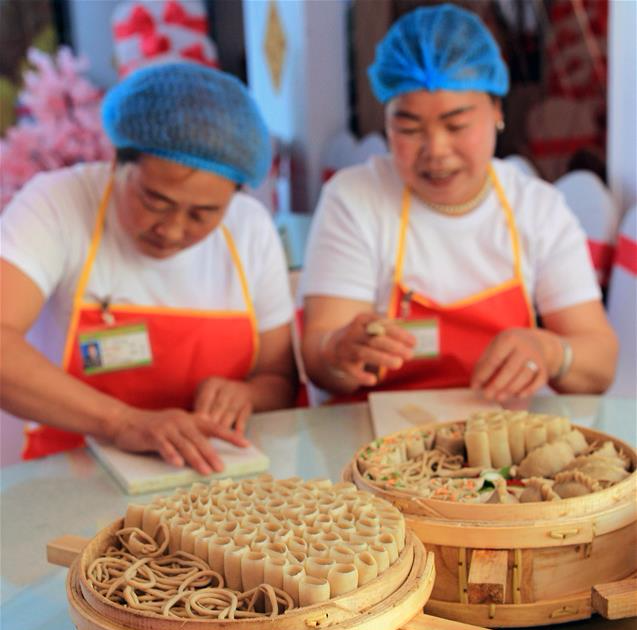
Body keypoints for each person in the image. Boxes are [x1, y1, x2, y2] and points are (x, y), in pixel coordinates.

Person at [301, 4, 617, 403]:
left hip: (498, 442)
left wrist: (552, 352)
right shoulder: (355, 199)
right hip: (372, 443)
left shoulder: (537, 209)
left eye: (457, 125)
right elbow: (318, 360)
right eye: (408, 127)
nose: (436, 150)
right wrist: (337, 351)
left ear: (497, 112)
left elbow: (600, 362)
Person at [0, 63, 296, 474]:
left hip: (214, 477)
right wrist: (122, 422)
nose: (173, 230)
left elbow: (279, 379)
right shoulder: (56, 204)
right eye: (155, 201)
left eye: (204, 214)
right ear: (117, 162)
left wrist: (247, 395)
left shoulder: (251, 229)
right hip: (67, 471)